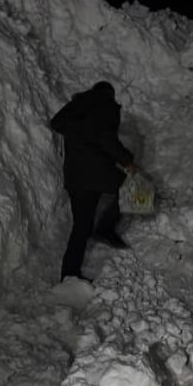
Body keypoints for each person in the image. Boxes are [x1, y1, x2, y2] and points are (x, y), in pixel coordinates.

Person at [49, 81, 137, 282]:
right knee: (128, 187)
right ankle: (106, 227)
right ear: (109, 94)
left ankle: (69, 275)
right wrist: (128, 161)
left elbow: (56, 123)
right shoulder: (106, 107)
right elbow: (107, 140)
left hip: (75, 176)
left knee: (81, 226)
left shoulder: (76, 107)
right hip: (99, 173)